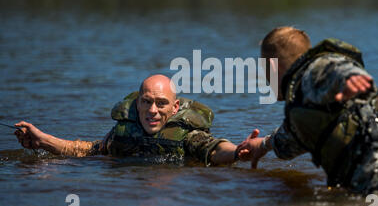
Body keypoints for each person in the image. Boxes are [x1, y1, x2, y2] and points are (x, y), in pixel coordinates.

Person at [237, 27, 378, 195]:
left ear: (273, 68)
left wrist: (349, 77)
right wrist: (262, 145)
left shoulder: (316, 70)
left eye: (264, 70)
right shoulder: (308, 101)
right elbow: (289, 140)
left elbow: (336, 68)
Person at [15, 74, 239, 166]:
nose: (152, 110)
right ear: (138, 103)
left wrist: (239, 152)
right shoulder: (122, 132)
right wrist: (42, 140)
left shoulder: (188, 135)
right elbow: (83, 150)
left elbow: (215, 149)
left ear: (174, 108)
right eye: (146, 101)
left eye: (161, 103)